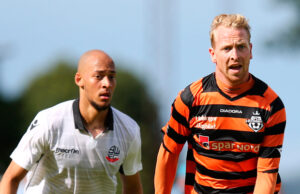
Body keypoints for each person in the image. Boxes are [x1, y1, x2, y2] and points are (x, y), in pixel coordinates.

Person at [154, 14, 286, 194]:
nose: (235, 55)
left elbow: (266, 174)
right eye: (227, 48)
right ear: (213, 54)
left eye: (241, 47)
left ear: (251, 50)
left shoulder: (271, 105)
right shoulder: (190, 99)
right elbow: (168, 153)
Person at [0, 50, 143, 194]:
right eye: (99, 76)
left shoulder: (129, 129)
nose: (107, 84)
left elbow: (133, 189)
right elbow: (11, 178)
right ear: (79, 80)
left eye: (111, 77)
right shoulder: (49, 122)